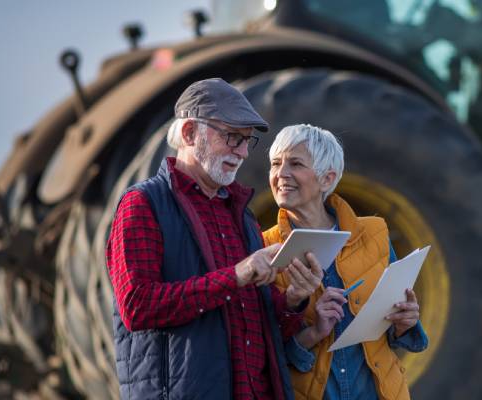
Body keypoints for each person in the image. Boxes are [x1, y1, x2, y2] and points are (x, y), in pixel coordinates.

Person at [105, 79, 324, 400]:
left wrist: (293, 299)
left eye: (247, 141)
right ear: (190, 133)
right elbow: (137, 307)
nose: (243, 152)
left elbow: (255, 320)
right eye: (232, 137)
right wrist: (236, 275)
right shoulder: (142, 204)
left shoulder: (243, 217)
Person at [263, 124, 429, 400]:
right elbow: (263, 354)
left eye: (295, 163)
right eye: (276, 163)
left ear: (327, 179)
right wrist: (314, 330)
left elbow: (392, 331)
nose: (281, 174)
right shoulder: (263, 249)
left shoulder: (374, 233)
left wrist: (406, 322)